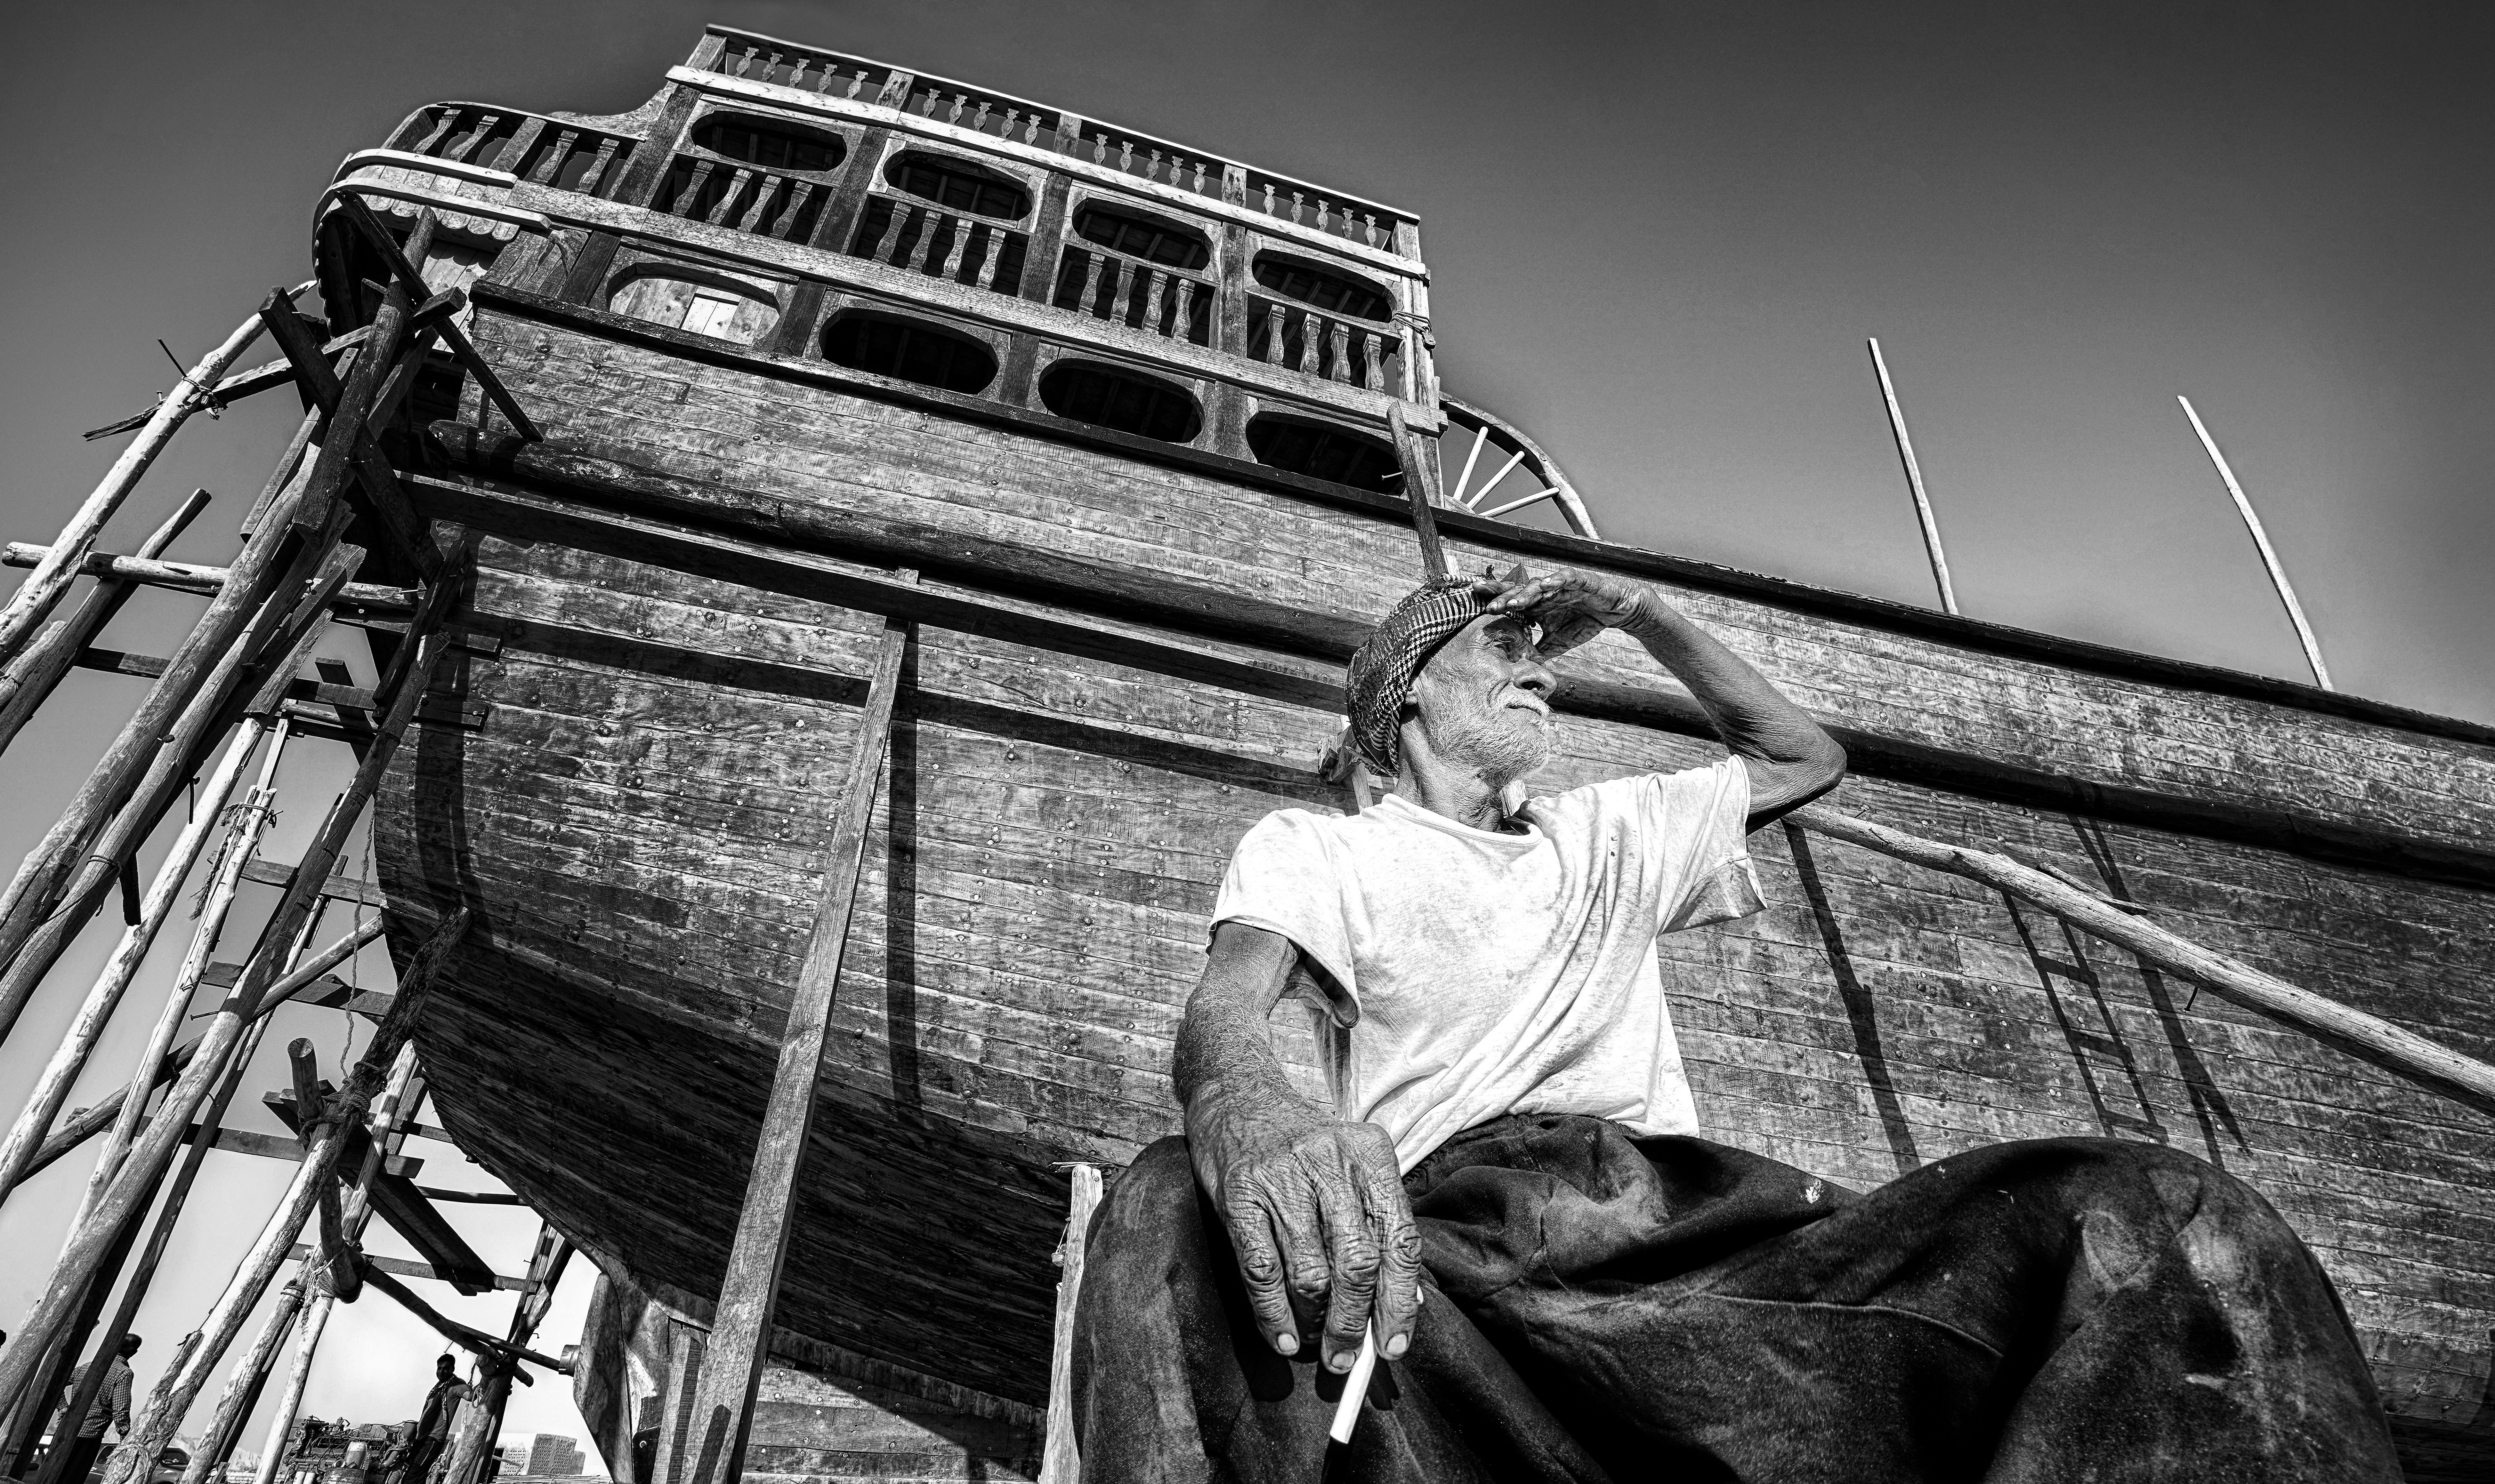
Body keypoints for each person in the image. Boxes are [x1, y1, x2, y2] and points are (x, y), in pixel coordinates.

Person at [1071, 566, 2403, 1481]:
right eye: (1503, 650)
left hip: (1685, 1243)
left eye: (1546, 657)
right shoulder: (1323, 845)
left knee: (2155, 1222)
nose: (1543, 673)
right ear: (1405, 691)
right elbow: (1245, 1009)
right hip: (1451, 1268)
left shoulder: (1607, 832)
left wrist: (1638, 609)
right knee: (1164, 1201)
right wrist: (1258, 1108)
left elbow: (1799, 757)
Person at [48, 1334, 139, 1484]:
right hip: (89, 1436)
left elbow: (55, 1385)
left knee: (53, 1474)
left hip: (64, 1432)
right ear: (134, 1352)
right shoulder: (124, 1373)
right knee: (73, 1478)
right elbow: (121, 1409)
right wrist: (125, 1437)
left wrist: (63, 1407)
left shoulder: (86, 1367)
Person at [396, 1356, 468, 1484]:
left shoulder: (457, 1384)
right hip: (421, 1438)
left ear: (453, 1369)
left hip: (433, 1439)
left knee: (411, 1480)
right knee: (412, 1475)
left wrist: (484, 1387)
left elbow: (471, 1396)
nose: (441, 1371)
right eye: (439, 1368)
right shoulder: (438, 1386)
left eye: (446, 1369)